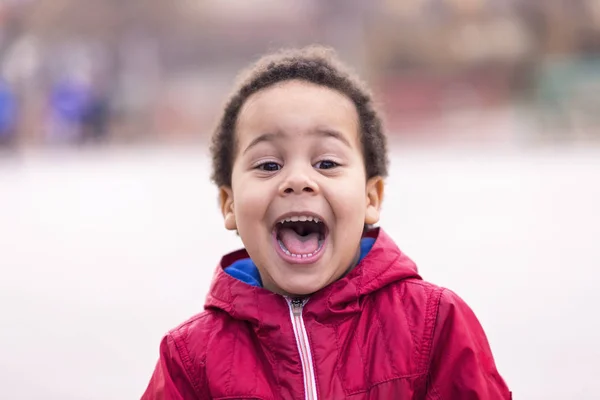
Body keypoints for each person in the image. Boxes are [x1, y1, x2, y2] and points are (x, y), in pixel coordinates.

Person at [141, 46, 511, 399]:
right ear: (229, 204)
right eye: (269, 165)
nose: (298, 179)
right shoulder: (189, 358)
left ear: (371, 198)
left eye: (327, 163)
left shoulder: (435, 325)